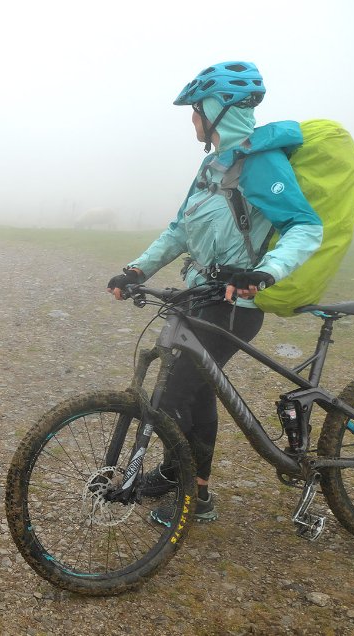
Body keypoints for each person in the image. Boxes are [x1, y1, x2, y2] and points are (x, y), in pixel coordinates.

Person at [106, 61, 324, 526]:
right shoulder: (212, 164)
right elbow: (179, 230)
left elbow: (305, 226)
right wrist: (136, 269)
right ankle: (184, 481)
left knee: (176, 393)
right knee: (194, 392)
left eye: (195, 111)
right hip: (198, 297)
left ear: (217, 110)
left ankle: (190, 492)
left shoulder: (262, 163)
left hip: (234, 306)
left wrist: (264, 272)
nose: (192, 120)